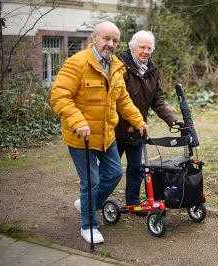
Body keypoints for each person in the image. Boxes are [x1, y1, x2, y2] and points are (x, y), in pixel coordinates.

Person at [50, 21, 148, 244]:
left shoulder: (116, 66)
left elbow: (123, 100)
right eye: (106, 38)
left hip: (106, 134)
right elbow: (59, 96)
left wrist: (138, 121)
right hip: (80, 136)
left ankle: (86, 204)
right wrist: (78, 121)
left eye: (115, 40)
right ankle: (89, 225)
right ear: (94, 38)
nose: (111, 44)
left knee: (114, 173)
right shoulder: (76, 63)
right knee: (91, 181)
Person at [115, 30, 177, 208]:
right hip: (115, 129)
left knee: (136, 169)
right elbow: (117, 99)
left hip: (137, 130)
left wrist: (172, 121)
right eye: (142, 47)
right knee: (110, 172)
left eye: (149, 48)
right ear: (133, 47)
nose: (146, 51)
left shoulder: (152, 70)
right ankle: (95, 201)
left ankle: (132, 204)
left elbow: (158, 100)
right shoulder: (119, 66)